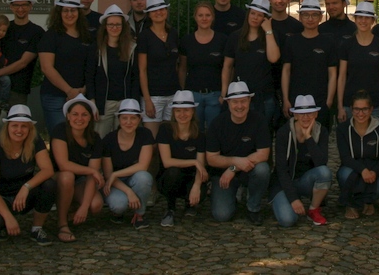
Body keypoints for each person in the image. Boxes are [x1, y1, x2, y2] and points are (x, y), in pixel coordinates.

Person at [0, 104, 55, 245]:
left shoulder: (35, 141)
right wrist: (8, 217)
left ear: (30, 128)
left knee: (49, 184)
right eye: (15, 126)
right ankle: (4, 223)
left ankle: (37, 228)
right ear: (7, 127)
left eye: (24, 126)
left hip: (21, 193)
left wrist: (26, 187)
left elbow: (48, 170)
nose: (19, 130)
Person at [206, 81, 271, 224]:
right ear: (228, 102)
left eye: (243, 101)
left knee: (262, 170)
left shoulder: (259, 120)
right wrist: (235, 162)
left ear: (249, 100)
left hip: (248, 170)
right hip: (222, 175)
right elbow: (211, 158)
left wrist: (233, 168)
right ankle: (232, 197)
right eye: (235, 102)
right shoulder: (217, 124)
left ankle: (253, 207)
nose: (240, 106)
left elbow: (263, 154)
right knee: (222, 215)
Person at [0, 0, 42, 142]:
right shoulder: (2, 28)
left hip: (18, 89)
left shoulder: (36, 32)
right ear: (11, 7)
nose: (20, 8)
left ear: (30, 6)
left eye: (24, 5)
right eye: (16, 5)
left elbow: (23, 62)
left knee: (17, 132)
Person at [38, 0, 96, 132]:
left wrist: (85, 89)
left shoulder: (86, 36)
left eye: (73, 10)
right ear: (59, 13)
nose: (69, 14)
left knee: (79, 138)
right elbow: (46, 67)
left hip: (81, 96)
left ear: (79, 12)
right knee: (60, 137)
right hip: (55, 97)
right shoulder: (50, 36)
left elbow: (91, 66)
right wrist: (69, 91)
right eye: (65, 10)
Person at [270, 95, 332, 227]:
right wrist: (293, 199)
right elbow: (281, 169)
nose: (306, 117)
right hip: (284, 183)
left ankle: (314, 209)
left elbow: (322, 162)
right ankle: (283, 200)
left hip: (305, 181)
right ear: (295, 115)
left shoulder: (321, 131)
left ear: (316, 114)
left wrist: (309, 137)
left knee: (324, 173)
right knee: (288, 220)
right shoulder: (284, 133)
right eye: (301, 114)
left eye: (309, 113)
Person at [51, 94, 104, 242]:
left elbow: (92, 176)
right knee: (67, 175)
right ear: (68, 116)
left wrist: (84, 207)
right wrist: (92, 171)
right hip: (58, 177)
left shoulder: (95, 138)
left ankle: (75, 208)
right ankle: (62, 223)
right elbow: (63, 164)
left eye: (84, 115)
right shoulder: (60, 130)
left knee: (96, 205)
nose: (79, 118)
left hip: (81, 179)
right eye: (75, 114)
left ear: (90, 118)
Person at [223, 0, 281, 125]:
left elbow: (273, 58)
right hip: (240, 96)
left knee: (263, 132)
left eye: (260, 15)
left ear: (265, 18)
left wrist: (268, 31)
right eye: (253, 13)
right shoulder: (235, 37)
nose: (255, 17)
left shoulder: (271, 35)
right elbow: (227, 66)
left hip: (264, 95)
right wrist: (224, 92)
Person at [280, 0, 337, 122]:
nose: (310, 19)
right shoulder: (291, 41)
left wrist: (329, 101)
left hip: (320, 100)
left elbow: (332, 73)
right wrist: (286, 99)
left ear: (321, 17)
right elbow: (286, 71)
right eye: (306, 15)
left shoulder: (328, 42)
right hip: (296, 99)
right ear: (300, 17)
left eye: (314, 15)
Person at [157, 90, 208, 226]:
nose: (182, 114)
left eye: (186, 110)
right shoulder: (165, 130)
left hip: (191, 177)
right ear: (173, 112)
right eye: (178, 111)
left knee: (201, 188)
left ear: (193, 112)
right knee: (173, 172)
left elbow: (201, 166)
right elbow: (167, 162)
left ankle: (190, 204)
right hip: (170, 176)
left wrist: (197, 186)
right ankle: (170, 207)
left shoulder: (200, 135)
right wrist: (193, 162)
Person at [101, 98, 154, 229]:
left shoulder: (145, 134)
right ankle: (117, 213)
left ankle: (139, 214)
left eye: (133, 118)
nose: (128, 122)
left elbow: (143, 165)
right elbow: (108, 175)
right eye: (124, 118)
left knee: (144, 177)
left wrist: (116, 174)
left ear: (139, 119)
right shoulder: (109, 139)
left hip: (133, 178)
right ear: (119, 119)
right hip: (115, 182)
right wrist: (129, 192)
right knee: (119, 205)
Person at [336, 90, 379, 219]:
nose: (360, 113)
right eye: (356, 109)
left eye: (364, 109)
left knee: (376, 190)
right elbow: (345, 157)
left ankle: (368, 201)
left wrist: (373, 172)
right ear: (351, 110)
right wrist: (363, 170)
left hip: (374, 169)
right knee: (344, 175)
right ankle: (351, 204)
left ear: (371, 109)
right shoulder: (343, 129)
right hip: (353, 168)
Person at [89, 4, 140, 137]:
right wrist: (92, 101)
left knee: (123, 139)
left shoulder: (131, 48)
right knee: (100, 138)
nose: (114, 28)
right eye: (111, 24)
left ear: (123, 27)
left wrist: (134, 104)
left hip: (124, 102)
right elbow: (90, 76)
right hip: (103, 103)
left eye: (118, 24)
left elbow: (135, 78)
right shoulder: (97, 48)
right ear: (105, 27)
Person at [337, 1, 379, 124]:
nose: (363, 21)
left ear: (373, 21)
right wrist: (340, 107)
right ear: (355, 20)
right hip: (350, 104)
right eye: (360, 17)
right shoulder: (346, 45)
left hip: (376, 104)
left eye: (367, 18)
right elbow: (341, 77)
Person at [137, 0, 181, 137]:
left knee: (169, 139)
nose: (159, 13)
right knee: (152, 140)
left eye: (161, 9)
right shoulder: (144, 36)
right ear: (149, 14)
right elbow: (142, 70)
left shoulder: (173, 33)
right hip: (154, 95)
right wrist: (147, 99)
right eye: (154, 10)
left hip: (173, 93)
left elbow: (177, 63)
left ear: (166, 11)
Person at [179, 1, 227, 129]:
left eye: (207, 15)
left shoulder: (222, 40)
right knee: (195, 131)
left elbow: (227, 68)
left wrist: (223, 93)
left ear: (213, 17)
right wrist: (183, 92)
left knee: (214, 131)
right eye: (200, 15)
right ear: (195, 17)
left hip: (215, 95)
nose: (204, 18)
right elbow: (182, 68)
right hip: (193, 94)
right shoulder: (186, 41)